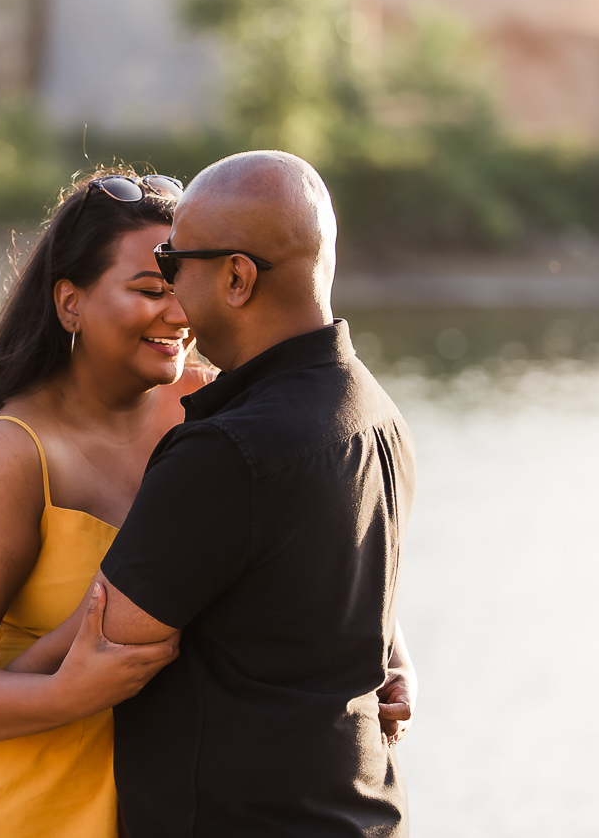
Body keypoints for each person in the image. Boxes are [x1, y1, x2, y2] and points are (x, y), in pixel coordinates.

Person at [40, 150, 420, 836]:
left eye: (174, 262)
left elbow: (102, 644)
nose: (169, 286)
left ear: (238, 277)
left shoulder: (228, 453)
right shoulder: (378, 415)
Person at [0, 168, 200, 838]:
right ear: (70, 303)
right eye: (151, 290)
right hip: (28, 807)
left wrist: (393, 651)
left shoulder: (207, 407)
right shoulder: (14, 453)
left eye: (184, 288)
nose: (178, 313)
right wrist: (64, 692)